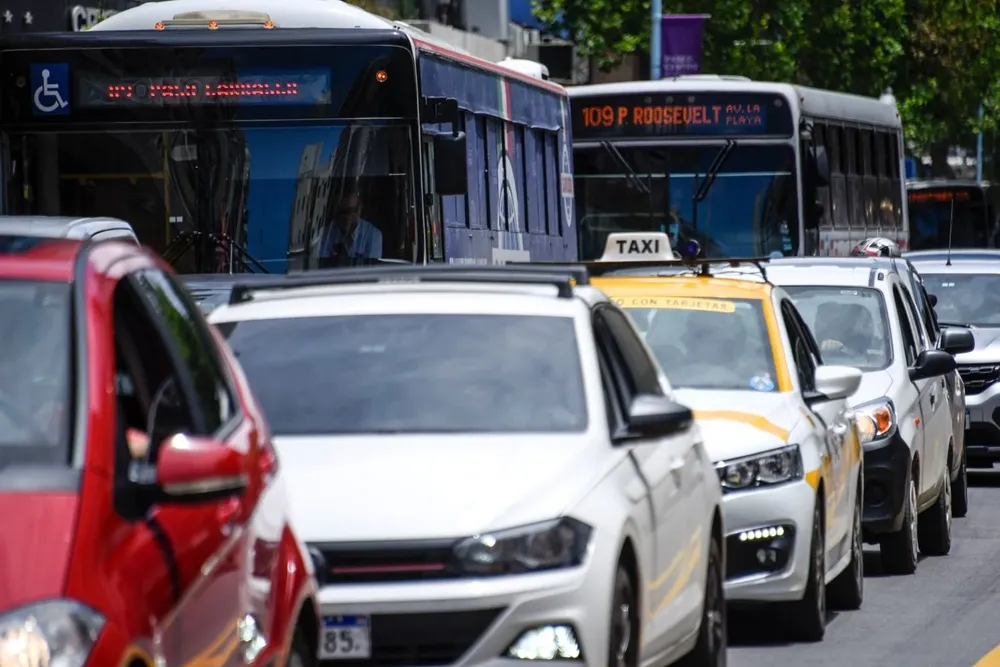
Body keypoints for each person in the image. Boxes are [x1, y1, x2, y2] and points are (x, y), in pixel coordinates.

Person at [319, 192, 383, 264]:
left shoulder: (373, 235)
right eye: (343, 212)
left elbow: (370, 269)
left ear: (360, 210)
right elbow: (320, 263)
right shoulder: (325, 234)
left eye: (353, 211)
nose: (347, 216)